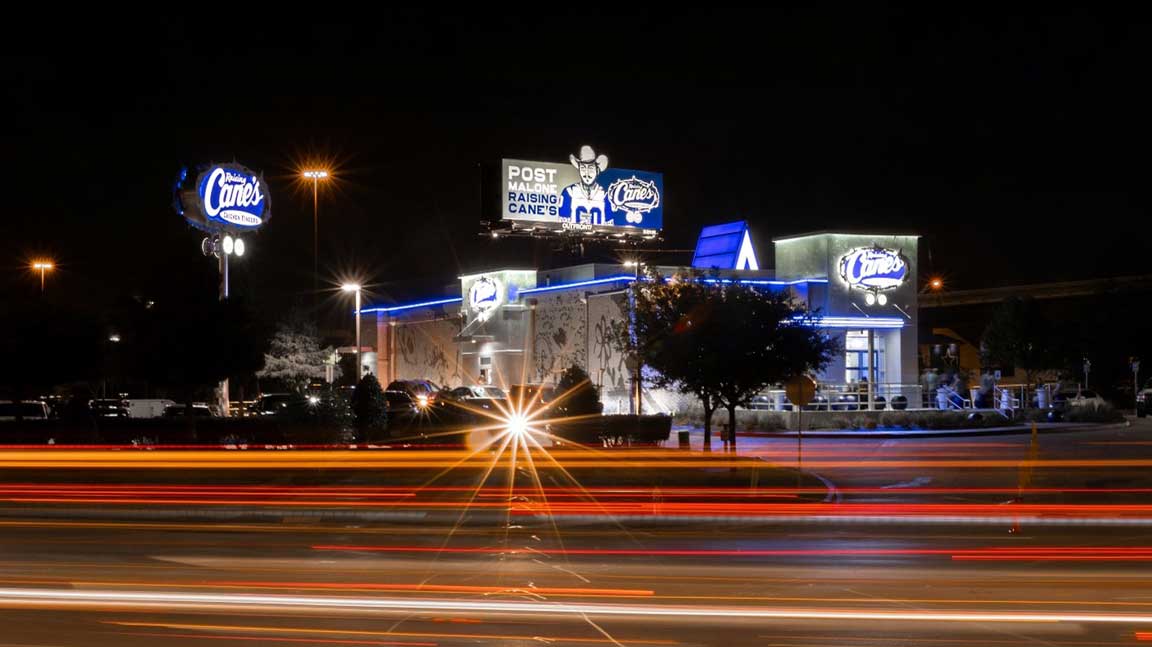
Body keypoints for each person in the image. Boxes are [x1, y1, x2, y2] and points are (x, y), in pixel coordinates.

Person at [558, 145, 612, 226]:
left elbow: (610, 226)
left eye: (590, 169)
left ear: (597, 170)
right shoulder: (568, 193)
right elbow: (562, 224)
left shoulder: (605, 195)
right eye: (583, 168)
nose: (587, 174)